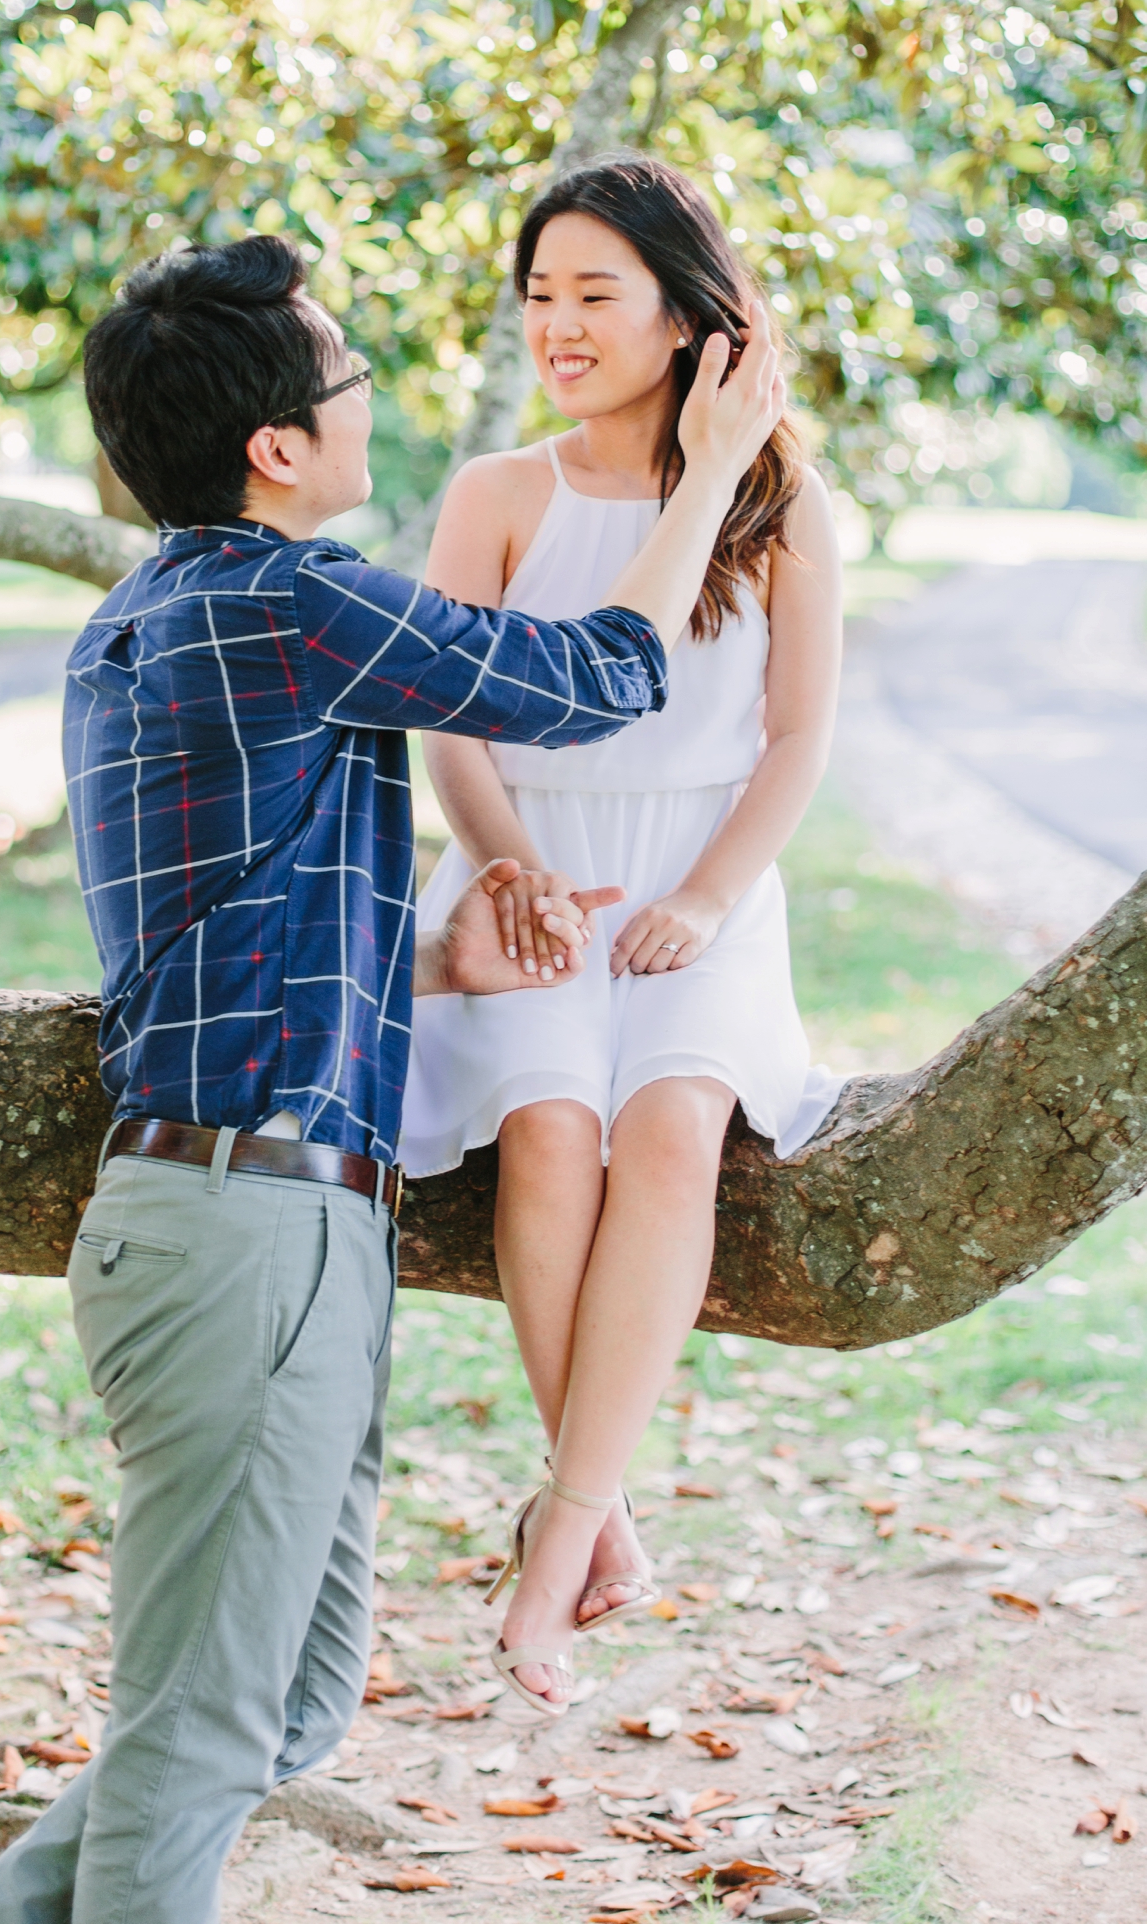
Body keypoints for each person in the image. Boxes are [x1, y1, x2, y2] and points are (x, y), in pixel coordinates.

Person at [0, 227, 785, 1922]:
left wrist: (432, 960)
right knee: (205, 1731)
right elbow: (598, 678)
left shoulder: (149, 616)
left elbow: (192, 936)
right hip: (244, 1227)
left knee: (283, 1705)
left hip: (258, 1214)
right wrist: (704, 474)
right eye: (343, 384)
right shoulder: (283, 595)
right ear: (276, 448)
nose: (367, 407)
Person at [400, 153, 843, 1713]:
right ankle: (597, 1504)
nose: (559, 326)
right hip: (528, 871)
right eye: (540, 296)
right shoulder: (498, 495)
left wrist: (708, 898)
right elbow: (448, 726)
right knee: (548, 1135)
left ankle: (559, 1539)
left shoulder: (782, 503)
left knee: (666, 1137)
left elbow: (795, 741)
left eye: (596, 294)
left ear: (684, 316)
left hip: (701, 882)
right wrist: (509, 871)